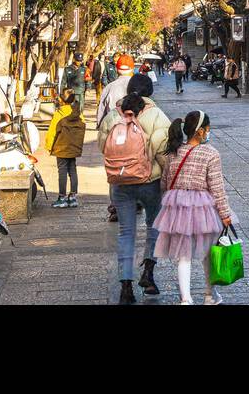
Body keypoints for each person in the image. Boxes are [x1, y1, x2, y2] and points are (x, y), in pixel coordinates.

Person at [98, 77, 171, 305]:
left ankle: (125, 286)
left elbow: (103, 146)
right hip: (150, 181)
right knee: (153, 225)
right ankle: (148, 275)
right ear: (150, 92)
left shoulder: (113, 116)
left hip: (120, 182)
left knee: (126, 232)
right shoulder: (157, 115)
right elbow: (163, 150)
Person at [154, 110, 234, 305]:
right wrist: (225, 213)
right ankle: (210, 295)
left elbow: (164, 183)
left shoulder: (174, 151)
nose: (208, 132)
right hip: (203, 209)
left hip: (178, 207)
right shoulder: (211, 153)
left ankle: (186, 299)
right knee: (209, 253)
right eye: (207, 129)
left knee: (183, 255)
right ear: (200, 131)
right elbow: (216, 187)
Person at [45, 88, 86, 208]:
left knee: (62, 171)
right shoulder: (78, 114)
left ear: (62, 100)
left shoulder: (59, 114)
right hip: (73, 148)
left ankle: (62, 197)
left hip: (61, 147)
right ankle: (73, 197)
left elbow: (52, 132)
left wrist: (49, 147)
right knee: (72, 170)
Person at [96, 53, 136, 125]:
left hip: (113, 128)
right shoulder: (138, 86)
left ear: (117, 69)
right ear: (132, 69)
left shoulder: (109, 88)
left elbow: (101, 111)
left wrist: (100, 127)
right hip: (133, 130)